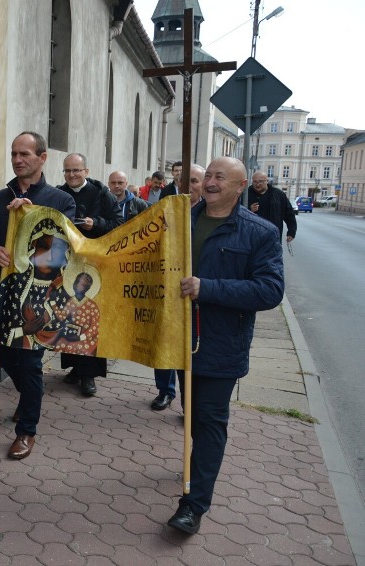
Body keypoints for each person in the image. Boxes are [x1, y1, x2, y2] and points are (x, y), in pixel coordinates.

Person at [166, 157, 283, 534]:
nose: (211, 182)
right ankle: (196, 468)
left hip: (221, 346)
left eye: (220, 177)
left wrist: (207, 288)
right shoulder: (180, 219)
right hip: (180, 340)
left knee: (210, 421)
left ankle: (193, 506)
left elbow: (270, 290)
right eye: (209, 175)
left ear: (239, 185)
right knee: (194, 415)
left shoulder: (260, 233)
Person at [0, 131, 75, 460]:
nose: (18, 160)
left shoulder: (61, 201)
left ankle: (26, 432)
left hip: (38, 298)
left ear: (42, 158)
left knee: (30, 362)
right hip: (4, 292)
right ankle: (27, 397)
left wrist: (34, 218)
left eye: (25, 154)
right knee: (4, 355)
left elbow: (62, 252)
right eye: (14, 154)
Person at [56, 153, 123, 396]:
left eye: (76, 170)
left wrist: (96, 225)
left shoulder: (101, 193)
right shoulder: (59, 193)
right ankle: (74, 368)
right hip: (67, 265)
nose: (72, 175)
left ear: (86, 170)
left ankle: (89, 375)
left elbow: (118, 224)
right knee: (69, 319)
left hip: (94, 267)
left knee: (90, 320)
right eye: (67, 171)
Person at [150, 163, 206, 412]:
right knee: (163, 342)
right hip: (167, 289)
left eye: (195, 181)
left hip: (197, 294)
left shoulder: (210, 214)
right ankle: (165, 391)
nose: (189, 187)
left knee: (190, 351)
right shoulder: (167, 211)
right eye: (185, 182)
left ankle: (189, 403)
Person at [247, 170, 297, 242]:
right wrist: (249, 209)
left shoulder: (278, 195)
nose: (257, 184)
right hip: (252, 238)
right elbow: (237, 211)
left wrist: (291, 232)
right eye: (255, 182)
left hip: (273, 237)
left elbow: (289, 213)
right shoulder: (246, 194)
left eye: (261, 181)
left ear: (267, 181)